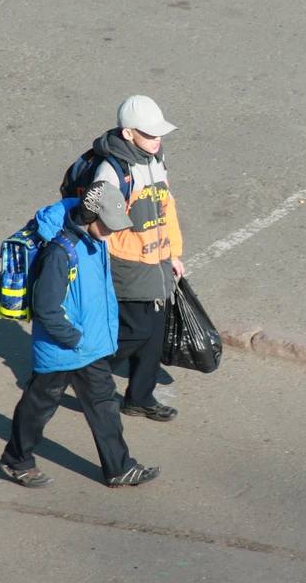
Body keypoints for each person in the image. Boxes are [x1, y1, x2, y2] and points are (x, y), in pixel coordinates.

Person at [0, 181, 162, 488]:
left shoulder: (95, 240)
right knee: (38, 407)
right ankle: (17, 460)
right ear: (89, 217)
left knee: (104, 406)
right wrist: (74, 339)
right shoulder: (60, 253)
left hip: (88, 347)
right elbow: (47, 308)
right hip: (65, 347)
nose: (113, 232)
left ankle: (119, 467)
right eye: (109, 224)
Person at [91, 95, 184, 423]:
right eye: (149, 133)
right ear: (129, 133)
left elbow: (166, 207)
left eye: (159, 132)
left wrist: (173, 253)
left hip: (156, 260)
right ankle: (87, 374)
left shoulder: (155, 158)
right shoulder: (112, 169)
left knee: (153, 334)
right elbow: (94, 216)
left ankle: (139, 399)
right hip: (128, 265)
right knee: (137, 330)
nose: (157, 138)